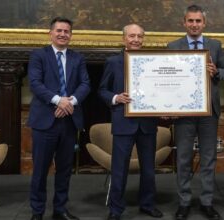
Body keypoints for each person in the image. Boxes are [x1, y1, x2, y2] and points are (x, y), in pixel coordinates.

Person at [167, 4, 224, 220]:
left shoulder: (215, 45)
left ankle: (206, 202)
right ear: (184, 23)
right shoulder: (173, 45)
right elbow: (167, 79)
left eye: (198, 21)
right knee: (183, 159)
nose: (194, 24)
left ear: (204, 23)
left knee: (208, 159)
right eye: (190, 21)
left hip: (208, 112)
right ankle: (184, 203)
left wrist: (216, 72)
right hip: (183, 113)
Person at [98, 24, 163, 220]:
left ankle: (148, 204)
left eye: (139, 36)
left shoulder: (152, 61)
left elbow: (159, 90)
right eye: (132, 36)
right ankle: (116, 209)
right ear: (124, 38)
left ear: (143, 39)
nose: (136, 39)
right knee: (119, 169)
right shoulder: (113, 62)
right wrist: (116, 98)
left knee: (149, 170)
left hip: (147, 124)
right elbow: (102, 90)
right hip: (123, 122)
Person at [28, 17, 90, 220]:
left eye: (67, 31)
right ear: (51, 33)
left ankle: (60, 209)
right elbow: (36, 83)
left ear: (71, 35)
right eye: (59, 30)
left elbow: (85, 85)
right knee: (40, 170)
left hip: (69, 122)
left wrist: (69, 103)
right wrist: (58, 101)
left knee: (64, 169)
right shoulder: (39, 55)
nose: (63, 34)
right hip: (45, 122)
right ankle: (37, 212)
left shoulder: (77, 58)